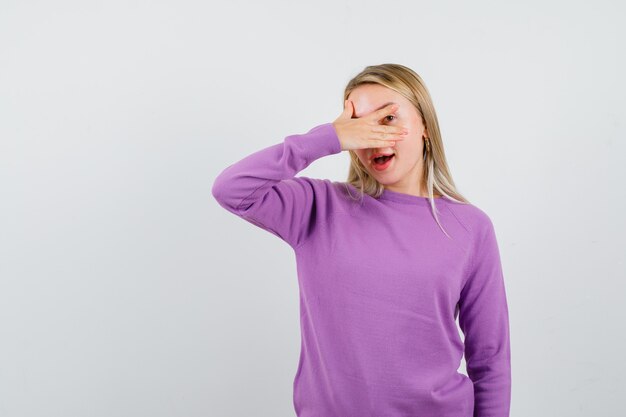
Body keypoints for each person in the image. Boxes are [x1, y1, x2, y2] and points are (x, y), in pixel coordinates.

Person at [211, 63, 511, 417]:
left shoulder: (470, 227)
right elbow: (231, 189)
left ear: (425, 127)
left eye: (387, 119)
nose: (372, 138)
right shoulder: (317, 208)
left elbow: (490, 357)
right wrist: (330, 138)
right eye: (359, 126)